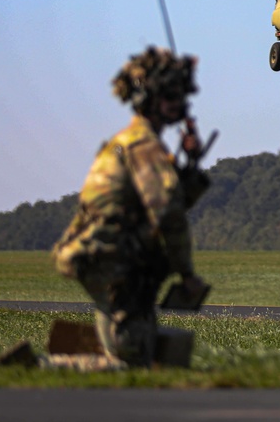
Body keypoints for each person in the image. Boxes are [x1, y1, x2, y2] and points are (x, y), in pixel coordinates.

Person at [51, 46, 211, 367]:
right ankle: (41, 367)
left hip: (111, 257)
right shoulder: (142, 146)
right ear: (149, 99)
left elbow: (168, 199)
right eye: (170, 96)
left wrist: (191, 163)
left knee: (145, 346)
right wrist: (186, 273)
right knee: (131, 359)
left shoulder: (134, 142)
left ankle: (78, 353)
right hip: (113, 260)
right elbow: (167, 212)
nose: (179, 104)